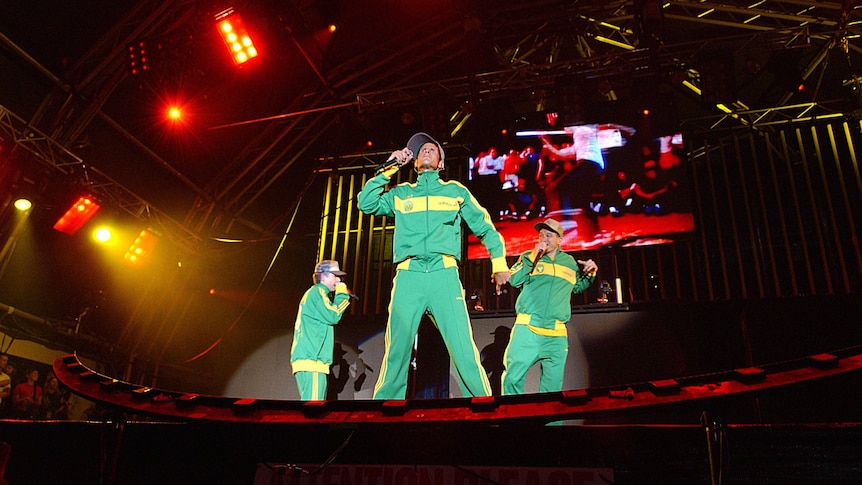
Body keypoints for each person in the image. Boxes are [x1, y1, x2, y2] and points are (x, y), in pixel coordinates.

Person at [357, 132, 511, 399]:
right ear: (415, 162)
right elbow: (366, 203)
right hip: (408, 276)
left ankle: (485, 408)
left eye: (432, 149)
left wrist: (499, 263)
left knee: (463, 348)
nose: (426, 151)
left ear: (441, 163)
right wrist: (390, 166)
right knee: (397, 351)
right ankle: (382, 416)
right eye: (421, 150)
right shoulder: (401, 193)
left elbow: (486, 228)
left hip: (444, 275)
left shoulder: (455, 191)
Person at [502, 218, 597, 394]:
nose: (544, 239)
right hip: (527, 329)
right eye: (541, 235)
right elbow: (514, 280)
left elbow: (576, 288)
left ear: (559, 240)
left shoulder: (569, 262)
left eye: (549, 235)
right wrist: (532, 257)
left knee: (552, 391)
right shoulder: (528, 257)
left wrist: (590, 274)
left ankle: (548, 422)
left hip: (556, 335)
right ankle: (512, 421)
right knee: (512, 379)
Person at [290, 260, 352, 401]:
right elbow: (333, 315)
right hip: (312, 360)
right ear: (323, 276)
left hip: (310, 360)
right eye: (335, 275)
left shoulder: (316, 295)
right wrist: (342, 294)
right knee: (313, 410)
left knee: (311, 406)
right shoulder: (317, 292)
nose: (338, 279)